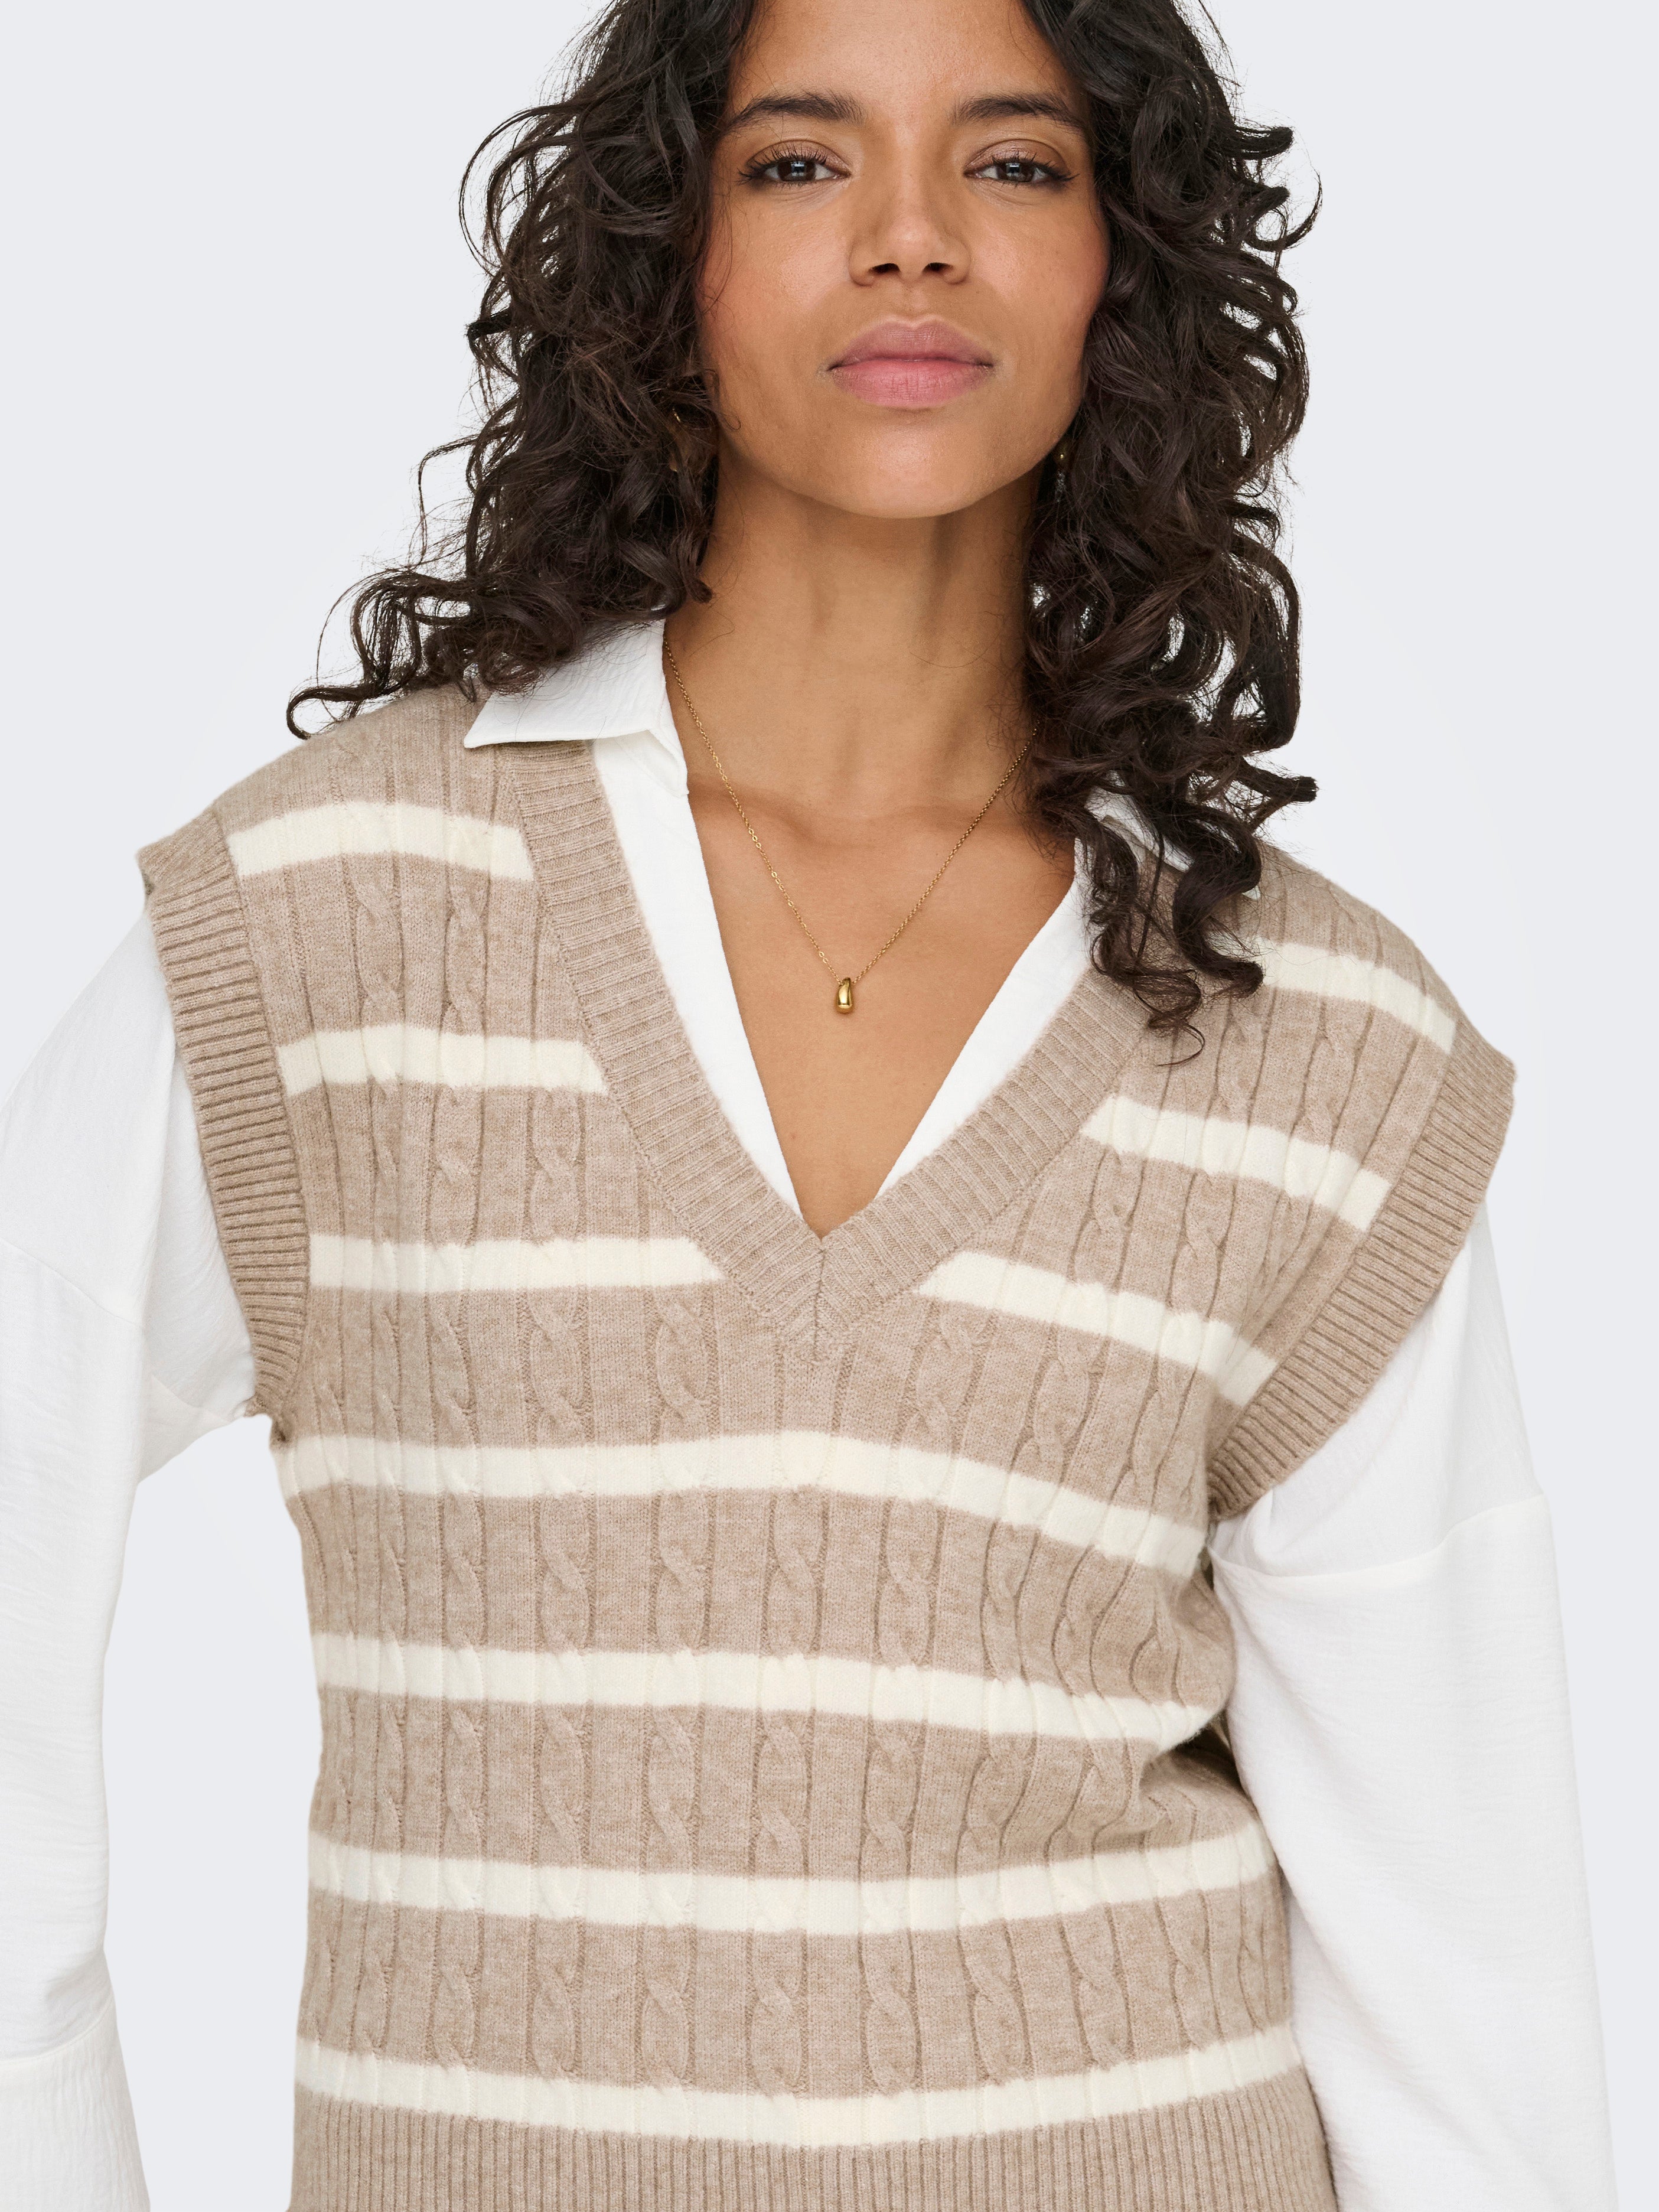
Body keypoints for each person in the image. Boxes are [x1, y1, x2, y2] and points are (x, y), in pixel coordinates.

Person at [0, 0, 1617, 2205]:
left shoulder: (1319, 1042)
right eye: (797, 160)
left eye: (1014, 162)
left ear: (1123, 266)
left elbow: (1461, 1981)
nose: (909, 234)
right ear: (664, 251)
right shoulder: (327, 919)